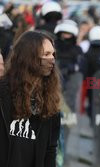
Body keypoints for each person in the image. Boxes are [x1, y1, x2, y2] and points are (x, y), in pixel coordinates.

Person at [0, 31, 61, 167]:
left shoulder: (50, 102)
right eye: (46, 54)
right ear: (29, 57)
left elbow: (50, 150)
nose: (52, 59)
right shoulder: (2, 92)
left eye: (53, 54)